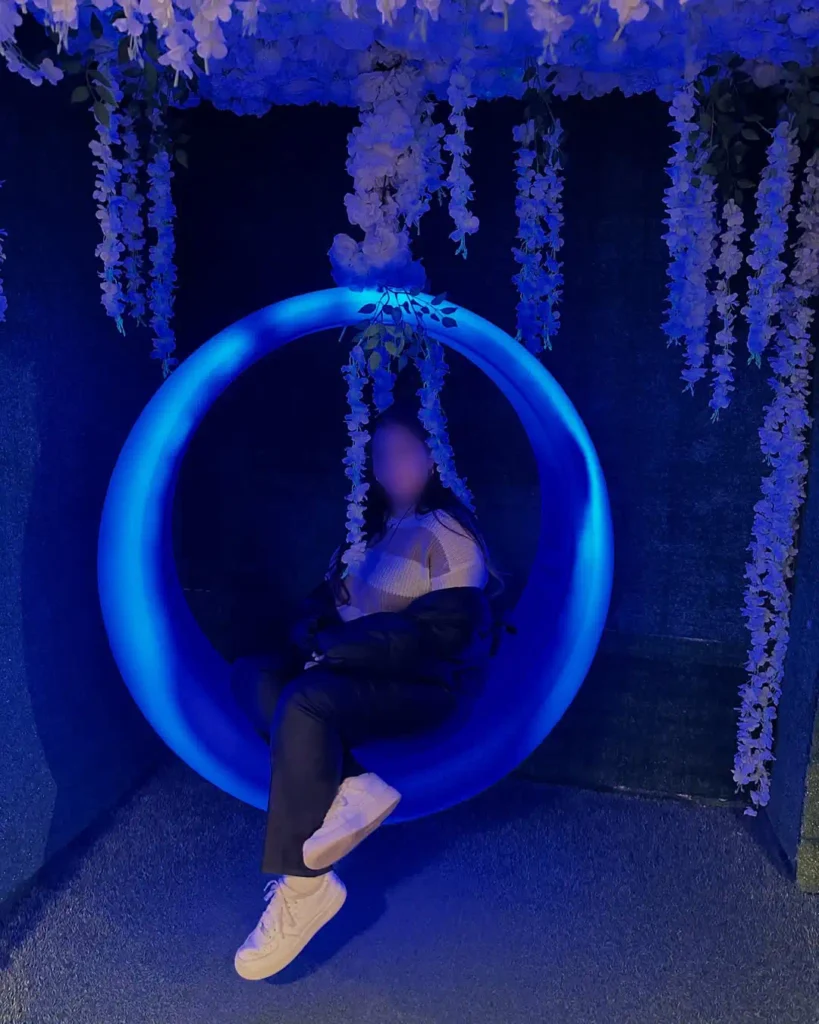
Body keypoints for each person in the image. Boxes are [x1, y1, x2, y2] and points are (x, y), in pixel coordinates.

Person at [230, 401, 496, 981]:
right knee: (253, 675)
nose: (391, 465)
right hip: (345, 671)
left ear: (433, 458)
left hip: (416, 684)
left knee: (304, 700)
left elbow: (446, 634)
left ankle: (304, 892)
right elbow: (322, 599)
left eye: (405, 451)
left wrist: (341, 647)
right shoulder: (367, 527)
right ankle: (352, 781)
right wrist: (313, 628)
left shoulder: (450, 533)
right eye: (380, 454)